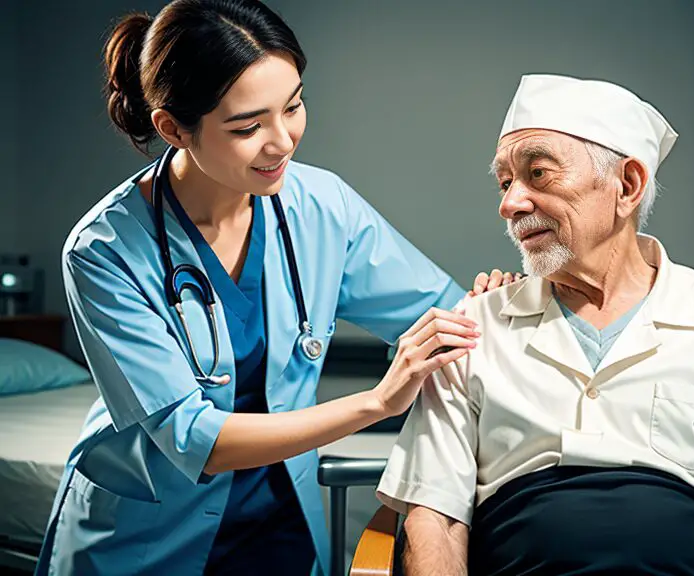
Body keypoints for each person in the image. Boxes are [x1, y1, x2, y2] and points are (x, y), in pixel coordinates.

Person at [35, 1, 516, 574]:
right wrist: (377, 402)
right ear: (173, 128)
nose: (283, 141)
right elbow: (196, 439)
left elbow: (442, 317)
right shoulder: (105, 250)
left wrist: (496, 307)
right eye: (247, 126)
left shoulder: (322, 207)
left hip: (280, 529)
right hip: (146, 543)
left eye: (293, 107)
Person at [377, 74, 694, 576]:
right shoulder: (476, 324)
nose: (510, 203)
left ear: (626, 186)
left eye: (537, 174)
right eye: (504, 182)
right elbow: (435, 519)